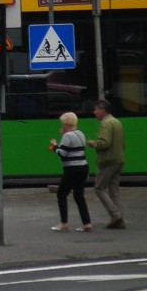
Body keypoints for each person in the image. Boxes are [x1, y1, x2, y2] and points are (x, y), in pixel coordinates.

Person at [49, 112, 92, 232]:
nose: (61, 125)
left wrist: (54, 146)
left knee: (61, 194)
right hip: (83, 167)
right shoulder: (80, 133)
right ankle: (87, 223)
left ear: (66, 123)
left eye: (62, 122)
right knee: (79, 196)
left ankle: (63, 223)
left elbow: (62, 154)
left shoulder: (67, 136)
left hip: (72, 169)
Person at [87, 99, 126, 229]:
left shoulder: (106, 124)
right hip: (119, 159)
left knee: (99, 188)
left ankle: (115, 214)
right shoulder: (117, 122)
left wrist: (93, 144)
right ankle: (120, 220)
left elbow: (104, 143)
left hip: (108, 161)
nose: (94, 112)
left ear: (102, 110)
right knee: (114, 191)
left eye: (96, 109)